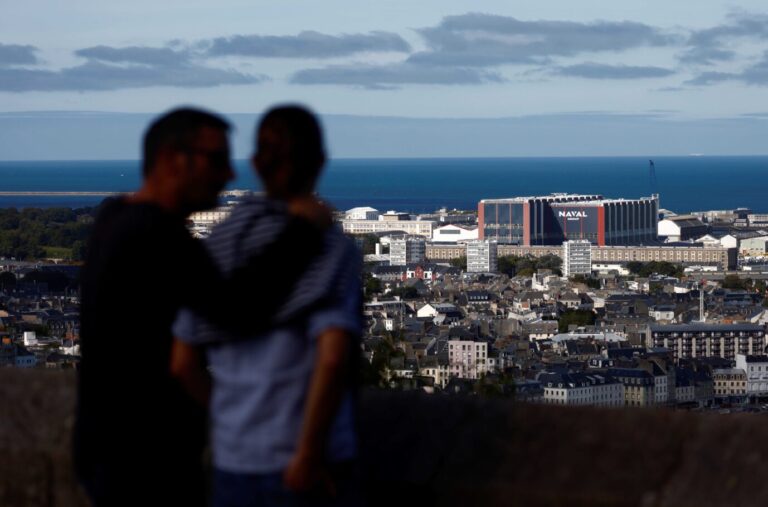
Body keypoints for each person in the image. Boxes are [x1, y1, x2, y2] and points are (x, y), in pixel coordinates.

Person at [75, 107, 331, 506]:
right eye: (215, 159)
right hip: (146, 456)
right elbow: (236, 309)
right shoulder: (155, 235)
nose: (229, 174)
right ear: (171, 160)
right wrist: (302, 230)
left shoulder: (115, 218)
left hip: (109, 445)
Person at [172, 105, 363, 507]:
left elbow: (183, 361)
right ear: (320, 163)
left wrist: (230, 420)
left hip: (233, 457)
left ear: (256, 163)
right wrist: (309, 453)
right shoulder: (331, 248)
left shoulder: (219, 242)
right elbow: (331, 360)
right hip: (307, 459)